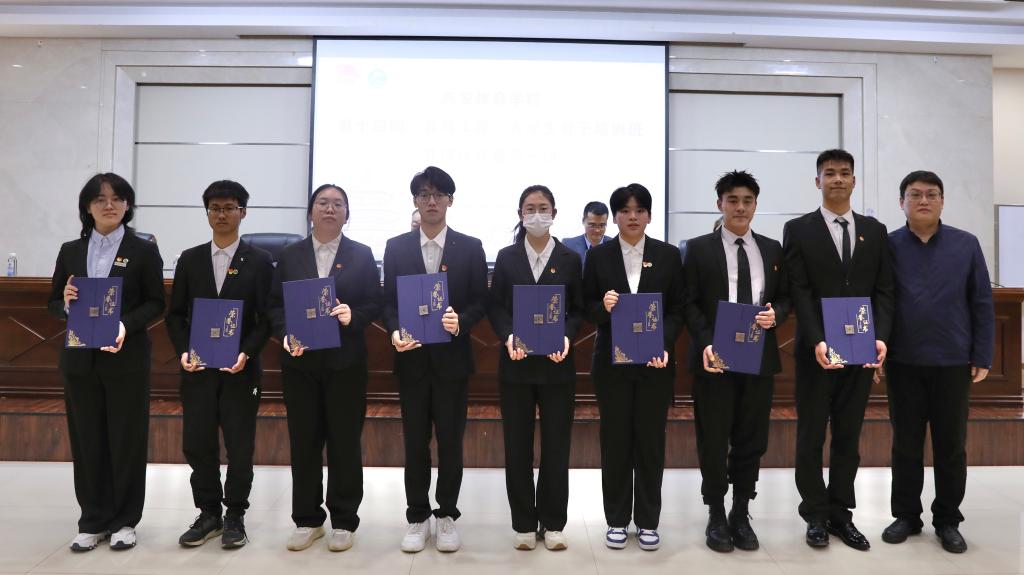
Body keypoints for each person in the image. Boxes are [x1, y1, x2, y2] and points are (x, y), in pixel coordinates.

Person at [783, 149, 894, 551]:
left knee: (848, 435)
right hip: (817, 351)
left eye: (845, 173)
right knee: (811, 435)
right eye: (829, 173)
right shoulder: (798, 229)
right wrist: (817, 339)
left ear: (854, 180)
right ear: (818, 181)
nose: (837, 179)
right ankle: (814, 513)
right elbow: (799, 290)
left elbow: (884, 290)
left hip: (861, 349)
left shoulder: (875, 231)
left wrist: (881, 336)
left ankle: (841, 513)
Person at [47, 173, 165, 551]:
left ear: (128, 205)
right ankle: (93, 520)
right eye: (100, 199)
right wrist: (66, 303)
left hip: (125, 359)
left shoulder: (143, 250)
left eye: (117, 198)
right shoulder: (70, 250)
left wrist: (124, 325)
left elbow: (156, 302)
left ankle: (125, 521)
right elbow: (53, 302)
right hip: (79, 361)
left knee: (126, 440)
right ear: (88, 207)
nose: (109, 205)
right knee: (87, 441)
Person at [881, 170, 993, 554]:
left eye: (932, 194)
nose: (924, 200)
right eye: (915, 195)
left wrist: (982, 354)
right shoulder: (888, 246)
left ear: (943, 201)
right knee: (905, 445)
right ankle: (906, 516)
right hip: (903, 361)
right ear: (902, 203)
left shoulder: (966, 244)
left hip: (952, 361)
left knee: (951, 446)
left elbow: (981, 302)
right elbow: (880, 301)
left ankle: (947, 519)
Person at [267, 184, 381, 552]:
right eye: (322, 203)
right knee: (304, 441)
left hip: (345, 362)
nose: (330, 209)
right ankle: (307, 519)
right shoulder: (290, 255)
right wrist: (285, 334)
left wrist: (353, 315)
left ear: (347, 213)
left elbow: (374, 303)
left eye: (338, 204)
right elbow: (273, 305)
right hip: (301, 364)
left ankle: (344, 520)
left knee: (345, 441)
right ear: (310, 211)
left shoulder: (362, 255)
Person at [382, 166, 488, 553]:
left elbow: (481, 301)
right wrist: (394, 331)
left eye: (438, 194)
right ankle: (417, 516)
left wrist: (462, 321)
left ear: (450, 201)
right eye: (424, 195)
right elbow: (388, 303)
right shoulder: (396, 247)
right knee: (414, 442)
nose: (431, 201)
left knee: (450, 442)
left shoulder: (470, 247)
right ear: (415, 201)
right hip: (411, 361)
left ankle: (446, 515)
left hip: (452, 362)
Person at [682, 170, 790, 552]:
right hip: (714, 359)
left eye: (747, 201)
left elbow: (785, 297)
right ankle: (715, 513)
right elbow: (688, 302)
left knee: (751, 439)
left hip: (758, 358)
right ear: (720, 205)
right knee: (713, 439)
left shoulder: (772, 249)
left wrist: (777, 314)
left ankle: (741, 512)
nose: (740, 207)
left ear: (756, 205)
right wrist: (707, 342)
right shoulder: (697, 249)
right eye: (732, 200)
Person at [165, 180, 273, 549]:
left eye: (229, 208)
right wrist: (183, 351)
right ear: (207, 213)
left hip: (240, 369)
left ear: (243, 212)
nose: (221, 214)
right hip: (198, 370)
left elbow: (266, 318)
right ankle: (208, 512)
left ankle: (235, 514)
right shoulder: (190, 259)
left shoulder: (260, 261)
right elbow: (176, 315)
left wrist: (248, 352)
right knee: (198, 444)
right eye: (215, 208)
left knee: (240, 446)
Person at [582, 183, 685, 551]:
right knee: (615, 441)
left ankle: (648, 521)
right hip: (611, 365)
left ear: (650, 216)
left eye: (639, 210)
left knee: (650, 441)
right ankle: (616, 519)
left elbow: (677, 309)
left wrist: (664, 343)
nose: (632, 217)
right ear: (615, 217)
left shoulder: (668, 255)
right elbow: (585, 307)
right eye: (625, 210)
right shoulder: (599, 256)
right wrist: (604, 307)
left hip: (655, 364)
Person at [487, 185, 583, 551]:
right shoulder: (506, 257)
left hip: (558, 366)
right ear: (520, 214)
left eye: (543, 208)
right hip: (517, 365)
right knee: (517, 447)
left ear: (554, 213)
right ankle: (524, 523)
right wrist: (508, 335)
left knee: (557, 447)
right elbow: (496, 306)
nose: (537, 214)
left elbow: (577, 309)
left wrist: (567, 336)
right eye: (530, 208)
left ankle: (554, 522)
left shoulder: (570, 258)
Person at [561, 201, 611, 269]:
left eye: (602, 225)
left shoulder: (616, 246)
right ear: (583, 221)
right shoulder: (568, 245)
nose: (597, 230)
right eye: (592, 225)